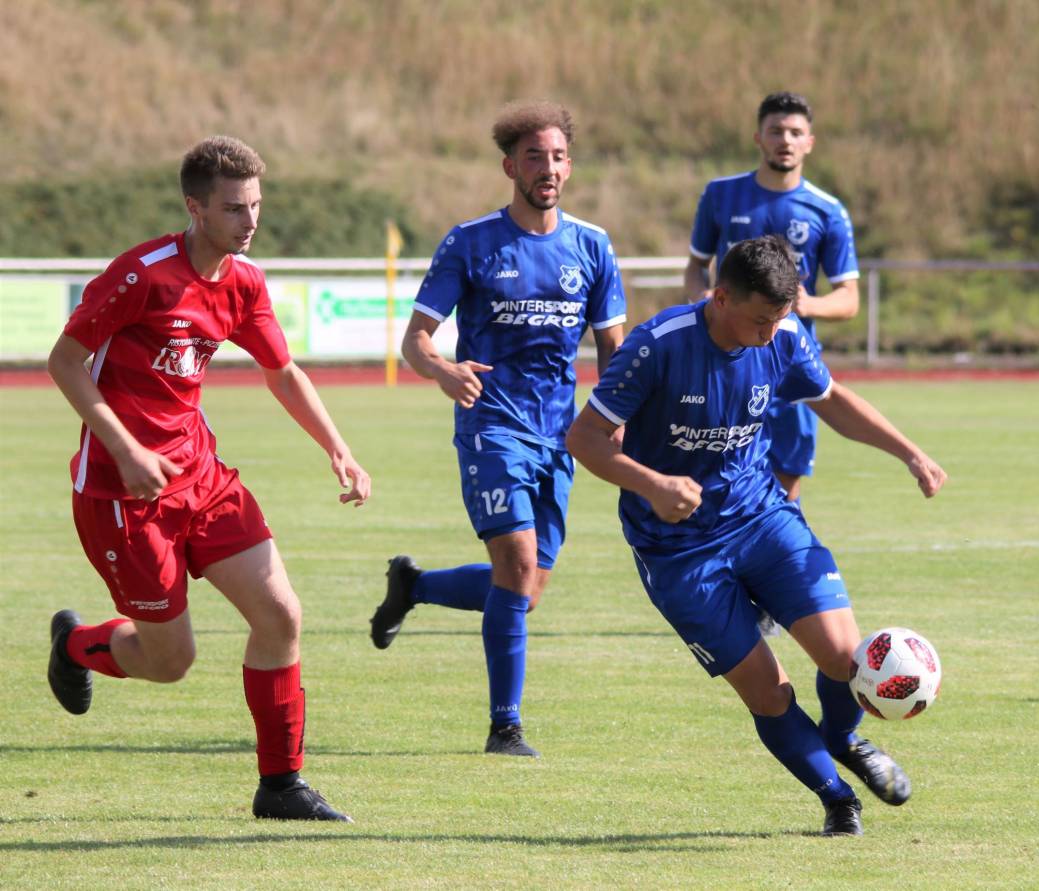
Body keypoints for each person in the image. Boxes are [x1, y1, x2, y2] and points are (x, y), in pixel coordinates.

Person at [566, 235, 946, 836]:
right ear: (719, 298)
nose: (774, 331)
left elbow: (834, 400)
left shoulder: (786, 335)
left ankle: (844, 738)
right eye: (762, 319)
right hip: (676, 550)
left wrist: (910, 453)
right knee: (768, 694)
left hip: (762, 518)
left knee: (846, 658)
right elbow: (583, 440)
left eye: (782, 317)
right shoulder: (656, 347)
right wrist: (652, 484)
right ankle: (836, 797)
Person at [45, 135, 370, 822]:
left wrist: (337, 447)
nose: (250, 221)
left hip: (203, 478)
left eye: (255, 205)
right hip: (122, 494)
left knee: (281, 614)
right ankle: (76, 644)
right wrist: (128, 450)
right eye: (233, 209)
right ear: (194, 208)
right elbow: (65, 360)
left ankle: (280, 785)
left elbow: (281, 371)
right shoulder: (141, 275)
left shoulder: (244, 281)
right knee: (169, 661)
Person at [369, 101, 626, 758]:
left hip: (559, 435)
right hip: (492, 425)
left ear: (570, 166)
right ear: (510, 166)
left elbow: (614, 352)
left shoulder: (592, 247)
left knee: (526, 590)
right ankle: (504, 726)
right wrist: (446, 371)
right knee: (513, 564)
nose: (549, 167)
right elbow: (415, 340)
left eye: (559, 156)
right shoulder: (471, 241)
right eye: (535, 156)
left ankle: (416, 586)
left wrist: (617, 420)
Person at [683, 92, 860, 505]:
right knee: (711, 482)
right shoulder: (721, 195)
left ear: (809, 142)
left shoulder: (826, 210)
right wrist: (703, 300)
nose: (786, 139)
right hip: (725, 362)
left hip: (790, 368)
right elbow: (695, 266)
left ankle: (773, 564)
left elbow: (849, 299)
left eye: (796, 132)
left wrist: (806, 304)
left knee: (783, 492)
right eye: (776, 131)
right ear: (758, 138)